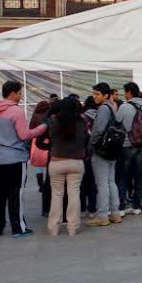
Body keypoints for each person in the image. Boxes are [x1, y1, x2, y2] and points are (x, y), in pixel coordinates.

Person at [0, 81, 48, 238]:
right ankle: (18, 227)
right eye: (20, 93)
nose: (21, 97)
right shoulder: (16, 111)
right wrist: (42, 128)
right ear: (13, 93)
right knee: (16, 193)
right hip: (14, 157)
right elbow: (24, 135)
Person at [47, 98, 87, 236]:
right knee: (74, 194)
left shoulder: (55, 120)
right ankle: (73, 227)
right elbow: (85, 140)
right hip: (76, 162)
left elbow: (50, 136)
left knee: (57, 194)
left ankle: (54, 227)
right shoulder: (81, 122)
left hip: (57, 161)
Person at [87, 82, 123, 227]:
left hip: (101, 150)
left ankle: (102, 215)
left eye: (97, 94)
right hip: (112, 149)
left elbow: (98, 129)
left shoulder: (103, 108)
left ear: (105, 95)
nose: (94, 97)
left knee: (102, 184)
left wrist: (92, 142)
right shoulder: (113, 107)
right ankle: (115, 213)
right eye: (94, 94)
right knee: (110, 181)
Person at [116, 82, 142, 213]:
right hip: (140, 144)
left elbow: (117, 122)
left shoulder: (125, 106)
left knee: (123, 176)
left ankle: (122, 206)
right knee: (138, 175)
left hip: (126, 145)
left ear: (129, 92)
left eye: (125, 92)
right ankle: (136, 205)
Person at [28, 100, 52, 217]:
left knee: (38, 164)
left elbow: (31, 128)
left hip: (37, 141)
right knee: (46, 165)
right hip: (49, 145)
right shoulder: (50, 118)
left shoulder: (35, 115)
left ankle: (40, 184)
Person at [79, 96, 98, 217]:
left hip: (83, 154)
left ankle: (82, 209)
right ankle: (92, 208)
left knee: (82, 182)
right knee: (92, 182)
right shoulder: (101, 115)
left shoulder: (82, 118)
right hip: (96, 153)